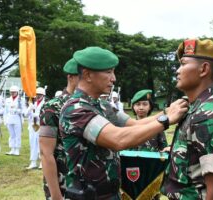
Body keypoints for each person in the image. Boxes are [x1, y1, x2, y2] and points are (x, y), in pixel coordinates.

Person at [59, 46, 188, 200]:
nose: (113, 78)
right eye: (108, 72)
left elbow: (134, 125)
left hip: (111, 193)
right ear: (87, 75)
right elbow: (118, 139)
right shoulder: (76, 109)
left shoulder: (102, 105)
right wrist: (166, 120)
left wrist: (168, 112)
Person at [160, 39, 213, 200]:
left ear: (204, 69)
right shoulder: (194, 110)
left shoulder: (207, 116)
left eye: (183, 64)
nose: (177, 71)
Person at [39, 58, 79, 200]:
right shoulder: (52, 107)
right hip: (63, 183)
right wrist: (56, 195)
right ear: (70, 77)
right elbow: (46, 153)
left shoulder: (92, 104)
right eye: (81, 76)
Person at [25, 87, 45, 169]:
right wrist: (29, 109)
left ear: (43, 95)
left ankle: (41, 162)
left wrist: (36, 115)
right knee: (32, 144)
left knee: (40, 144)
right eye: (36, 94)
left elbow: (44, 114)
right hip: (33, 126)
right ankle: (33, 162)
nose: (38, 96)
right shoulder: (33, 103)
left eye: (40, 95)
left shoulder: (45, 103)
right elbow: (25, 115)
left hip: (40, 126)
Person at [4, 85, 26, 156]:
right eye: (11, 92)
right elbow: (5, 111)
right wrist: (5, 120)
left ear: (17, 92)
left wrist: (20, 111)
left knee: (17, 135)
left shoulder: (21, 99)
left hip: (17, 118)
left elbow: (24, 109)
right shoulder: (7, 100)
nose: (13, 93)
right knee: (11, 135)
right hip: (10, 118)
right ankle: (12, 149)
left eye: (14, 92)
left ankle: (17, 149)